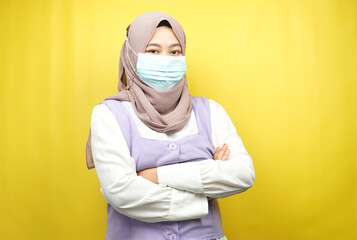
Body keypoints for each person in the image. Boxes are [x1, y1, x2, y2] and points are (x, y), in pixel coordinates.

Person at [85, 11, 255, 240]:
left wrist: (156, 176)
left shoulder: (210, 111)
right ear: (132, 55)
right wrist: (205, 187)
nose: (165, 59)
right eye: (153, 51)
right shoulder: (109, 115)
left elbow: (242, 174)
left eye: (175, 51)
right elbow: (121, 192)